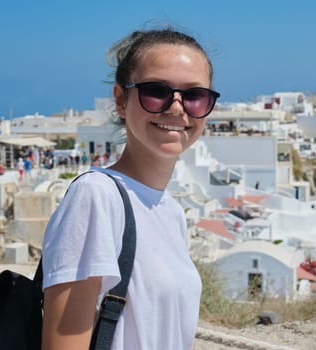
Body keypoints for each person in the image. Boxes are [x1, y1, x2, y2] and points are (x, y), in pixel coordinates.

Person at [41, 27, 220, 350]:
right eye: (156, 91)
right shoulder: (96, 197)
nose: (177, 108)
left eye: (194, 96)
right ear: (121, 100)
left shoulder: (172, 212)